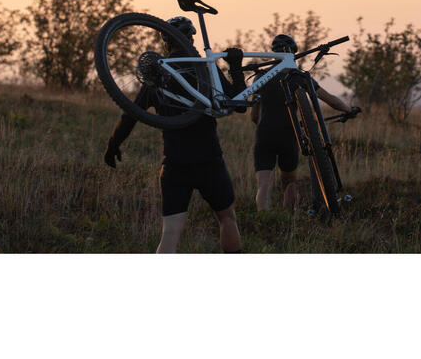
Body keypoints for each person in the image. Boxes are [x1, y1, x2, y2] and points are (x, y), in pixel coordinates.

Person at [103, 15, 246, 253]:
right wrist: (236, 68)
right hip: (209, 159)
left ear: (166, 44)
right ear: (191, 40)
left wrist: (113, 144)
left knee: (170, 232)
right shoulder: (205, 68)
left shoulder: (158, 76)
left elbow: (130, 115)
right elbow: (239, 104)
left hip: (174, 163)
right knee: (227, 218)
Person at [250, 33, 356, 212]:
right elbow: (331, 100)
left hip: (264, 134)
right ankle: (291, 220)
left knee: (264, 185)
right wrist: (349, 110)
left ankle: (265, 221)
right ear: (294, 53)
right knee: (289, 181)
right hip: (289, 135)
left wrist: (263, 125)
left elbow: (254, 115)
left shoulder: (261, 77)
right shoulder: (298, 76)